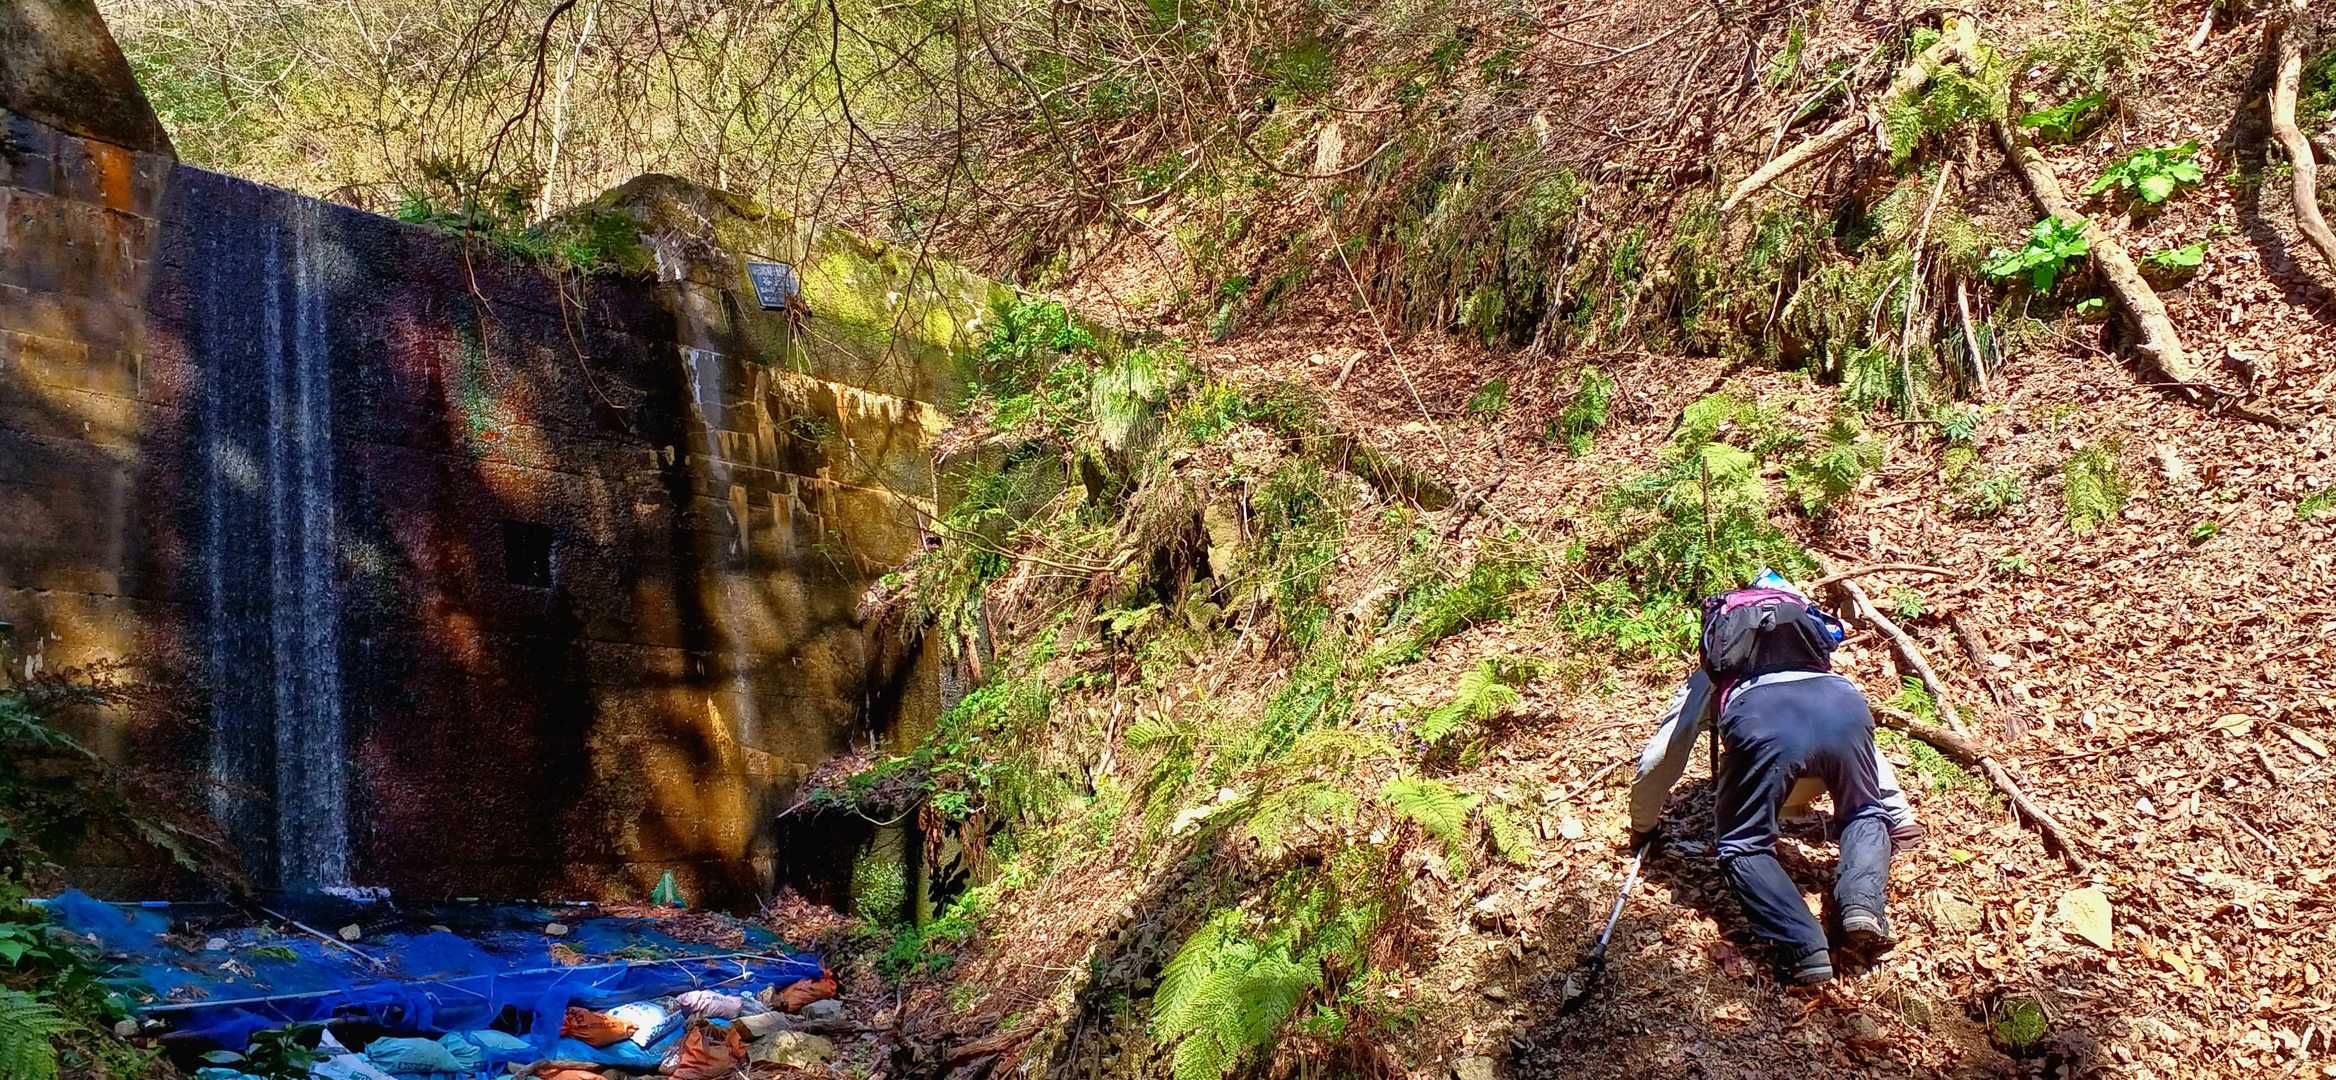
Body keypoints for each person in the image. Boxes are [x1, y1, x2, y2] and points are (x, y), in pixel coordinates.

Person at [1626, 581, 1916, 986]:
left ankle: (1803, 947)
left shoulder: (1712, 674)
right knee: (1864, 812)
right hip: (1843, 709)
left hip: (1765, 733)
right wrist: (1898, 816)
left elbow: (1661, 756)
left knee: (1742, 843)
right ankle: (1861, 905)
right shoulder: (1815, 662)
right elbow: (1862, 750)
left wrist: (1643, 826)